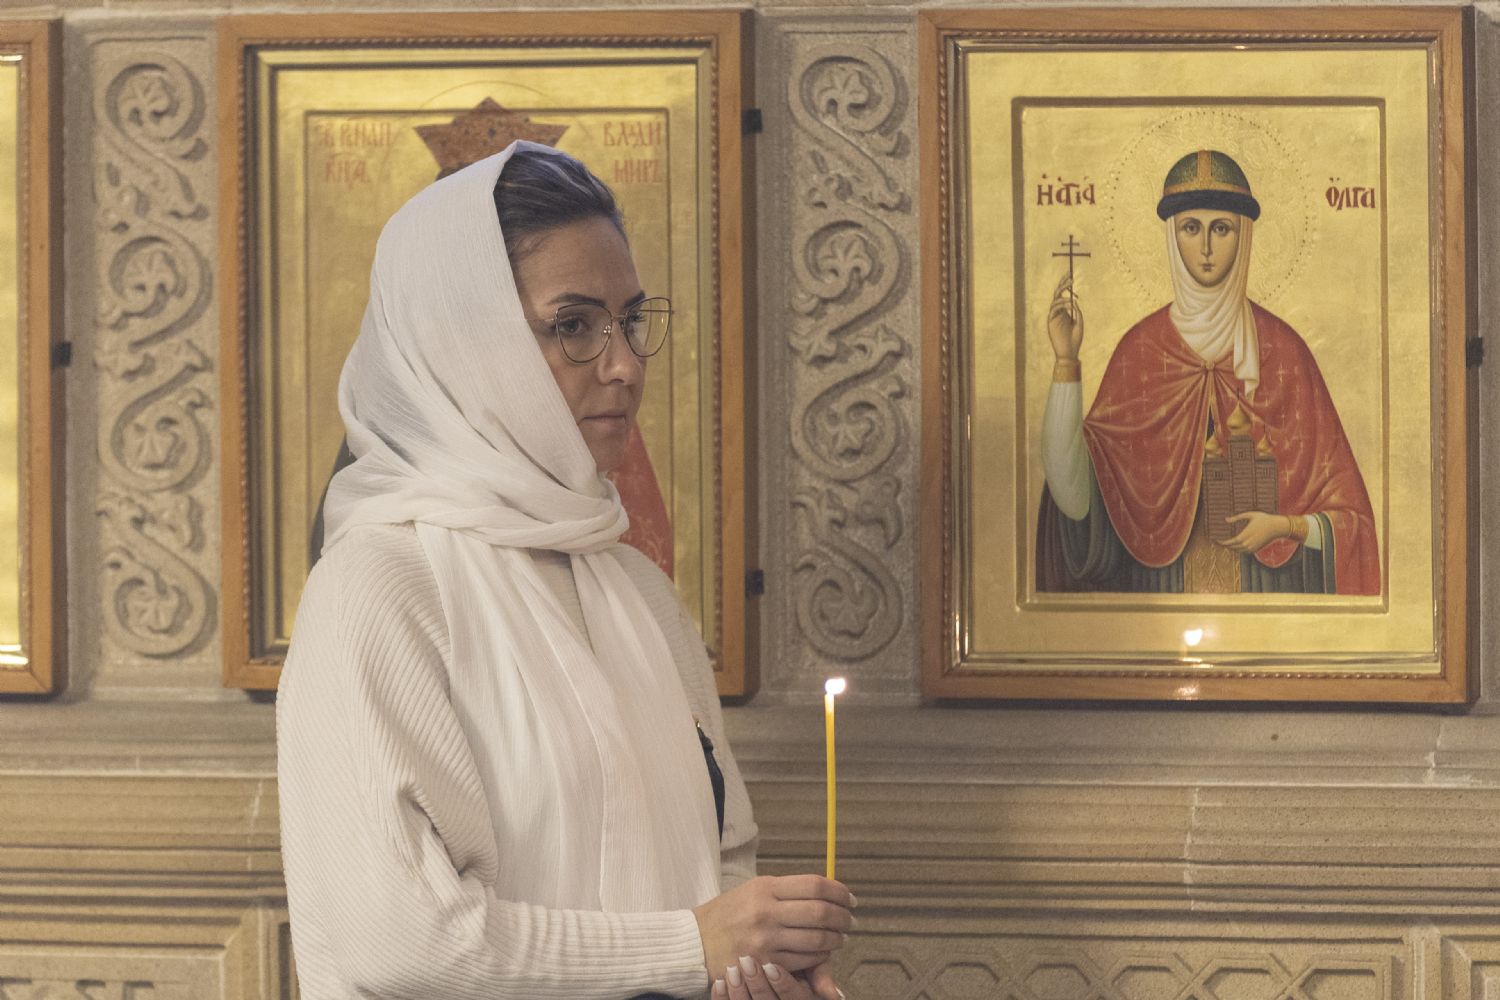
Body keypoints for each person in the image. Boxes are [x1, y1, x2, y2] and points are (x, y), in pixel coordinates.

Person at [277, 140, 854, 1000]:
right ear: (462, 346)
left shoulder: (639, 592)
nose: (625, 365)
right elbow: (398, 938)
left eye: (630, 321)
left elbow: (722, 866)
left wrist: (756, 972)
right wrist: (693, 945)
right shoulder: (377, 587)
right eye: (574, 326)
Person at [1036, 149, 1380, 596]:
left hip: (1268, 596)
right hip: (1159, 596)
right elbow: (1075, 495)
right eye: (1190, 228)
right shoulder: (1141, 351)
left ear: (1244, 234)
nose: (1205, 249)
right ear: (1171, 235)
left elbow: (1350, 517)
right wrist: (1066, 362)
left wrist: (1285, 526)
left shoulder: (1283, 352)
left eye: (1221, 228)